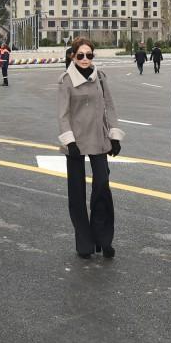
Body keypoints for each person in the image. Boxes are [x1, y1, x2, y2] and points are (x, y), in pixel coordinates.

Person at [57, 37, 125, 259]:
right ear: (72, 56)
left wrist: (114, 135)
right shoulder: (66, 80)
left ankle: (104, 239)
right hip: (75, 141)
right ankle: (84, 243)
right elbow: (63, 114)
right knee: (76, 194)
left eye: (89, 55)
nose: (85, 59)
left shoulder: (100, 77)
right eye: (81, 55)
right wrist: (70, 142)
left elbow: (110, 106)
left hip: (99, 138)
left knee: (102, 188)